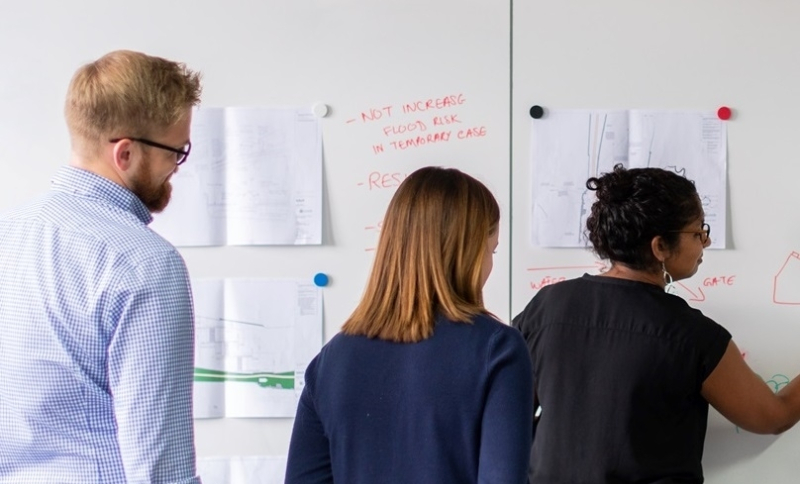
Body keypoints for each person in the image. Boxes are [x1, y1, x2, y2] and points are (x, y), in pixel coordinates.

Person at [514, 164, 800, 483]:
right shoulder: (691, 335)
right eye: (697, 231)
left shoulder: (547, 306)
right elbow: (771, 417)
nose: (704, 242)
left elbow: (513, 412)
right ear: (660, 246)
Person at [0, 50, 203, 483]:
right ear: (125, 153)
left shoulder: (8, 234)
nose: (176, 168)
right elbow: (161, 470)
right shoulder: (144, 262)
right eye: (176, 151)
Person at [284, 166, 533, 484]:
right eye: (491, 249)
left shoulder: (332, 359)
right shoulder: (497, 350)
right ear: (468, 252)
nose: (490, 264)